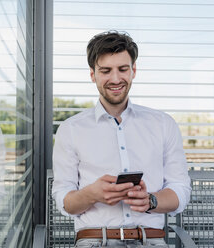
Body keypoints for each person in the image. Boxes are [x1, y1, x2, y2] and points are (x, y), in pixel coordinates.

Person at [52, 31, 191, 247]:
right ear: (92, 74)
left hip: (150, 240)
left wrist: (150, 201)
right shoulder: (71, 129)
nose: (115, 79)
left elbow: (180, 190)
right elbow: (65, 201)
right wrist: (92, 194)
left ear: (133, 70)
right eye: (106, 71)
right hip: (94, 240)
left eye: (123, 69)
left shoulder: (163, 124)